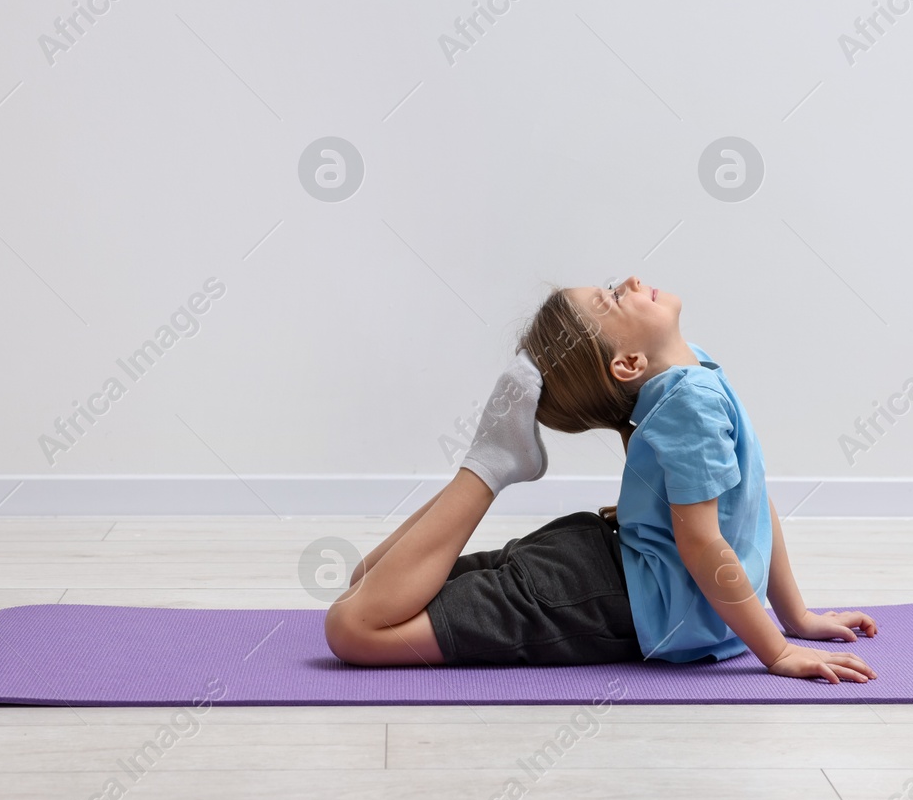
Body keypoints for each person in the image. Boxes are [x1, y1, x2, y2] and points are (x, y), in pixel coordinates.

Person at [324, 276, 878, 683]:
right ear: (629, 364)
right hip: (603, 591)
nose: (632, 282)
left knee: (364, 601)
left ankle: (494, 457)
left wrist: (795, 618)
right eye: (612, 298)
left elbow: (751, 503)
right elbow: (704, 542)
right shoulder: (693, 401)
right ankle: (494, 460)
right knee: (360, 619)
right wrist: (777, 648)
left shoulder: (696, 377)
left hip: (602, 577)